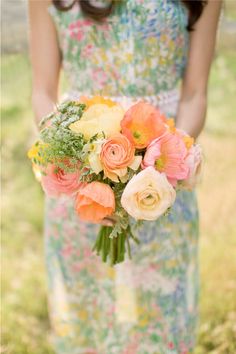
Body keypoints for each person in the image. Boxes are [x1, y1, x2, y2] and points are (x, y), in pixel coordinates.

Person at [28, 0, 222, 353]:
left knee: (162, 318)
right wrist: (78, 166)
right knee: (85, 322)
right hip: (78, 183)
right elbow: (42, 91)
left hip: (162, 181)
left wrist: (159, 168)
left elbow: (195, 93)